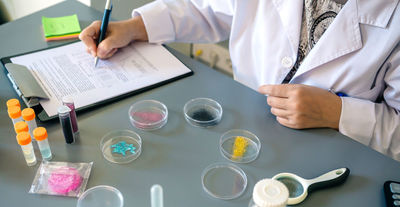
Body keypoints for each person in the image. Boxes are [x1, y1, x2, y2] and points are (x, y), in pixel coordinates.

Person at [80, 0, 400, 161]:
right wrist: (134, 27)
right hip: (240, 128)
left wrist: (339, 114)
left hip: (332, 155)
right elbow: (205, 9)